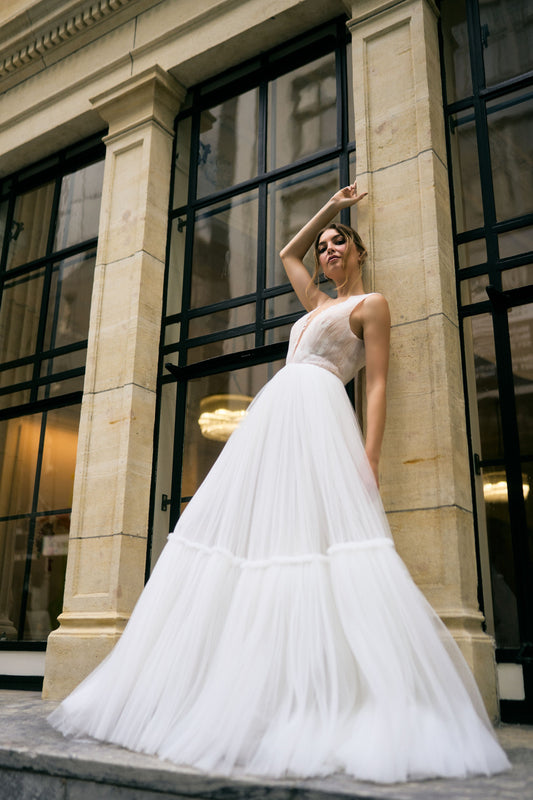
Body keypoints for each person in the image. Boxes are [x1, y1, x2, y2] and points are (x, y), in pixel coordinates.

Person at [48, 182, 510, 783]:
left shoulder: (370, 305)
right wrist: (329, 208)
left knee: (320, 546)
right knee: (247, 539)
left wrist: (369, 459)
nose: (325, 252)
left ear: (357, 251)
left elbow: (375, 385)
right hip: (275, 422)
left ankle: (321, 693)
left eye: (337, 243)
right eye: (323, 246)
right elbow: (286, 254)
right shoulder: (313, 302)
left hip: (320, 419)